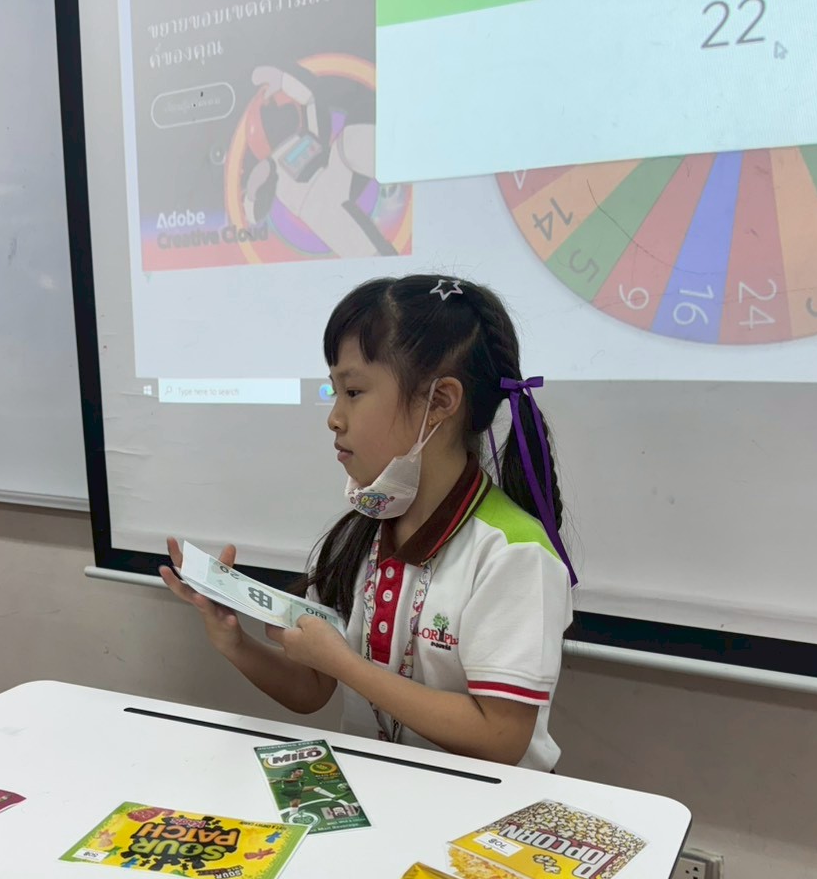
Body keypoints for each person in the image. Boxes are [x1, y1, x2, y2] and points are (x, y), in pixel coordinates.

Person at [163, 274, 575, 771]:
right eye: (333, 391)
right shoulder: (356, 535)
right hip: (382, 796)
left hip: (487, 813)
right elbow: (312, 688)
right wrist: (234, 639)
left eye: (354, 391)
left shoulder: (513, 552)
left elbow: (501, 737)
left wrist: (345, 664)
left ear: (440, 402)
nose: (334, 418)